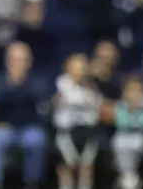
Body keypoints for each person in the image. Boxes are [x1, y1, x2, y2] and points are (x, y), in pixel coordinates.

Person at [0, 42, 48, 189]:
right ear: (6, 61)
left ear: (29, 61)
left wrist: (20, 84)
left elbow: (37, 103)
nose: (17, 63)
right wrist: (11, 85)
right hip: (4, 127)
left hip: (30, 127)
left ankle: (32, 183)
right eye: (13, 59)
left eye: (21, 59)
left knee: (37, 140)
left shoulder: (38, 81)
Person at [52, 53, 103, 189]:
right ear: (68, 68)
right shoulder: (61, 84)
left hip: (88, 131)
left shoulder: (92, 87)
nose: (80, 71)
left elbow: (98, 106)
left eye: (82, 68)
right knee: (68, 165)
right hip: (67, 132)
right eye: (76, 68)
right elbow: (56, 103)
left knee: (86, 166)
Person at [109, 76, 143, 189]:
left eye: (137, 90)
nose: (133, 93)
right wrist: (131, 109)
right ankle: (129, 176)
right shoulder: (121, 105)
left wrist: (138, 109)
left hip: (141, 135)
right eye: (130, 90)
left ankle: (127, 177)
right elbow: (121, 122)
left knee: (135, 146)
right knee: (119, 144)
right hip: (123, 135)